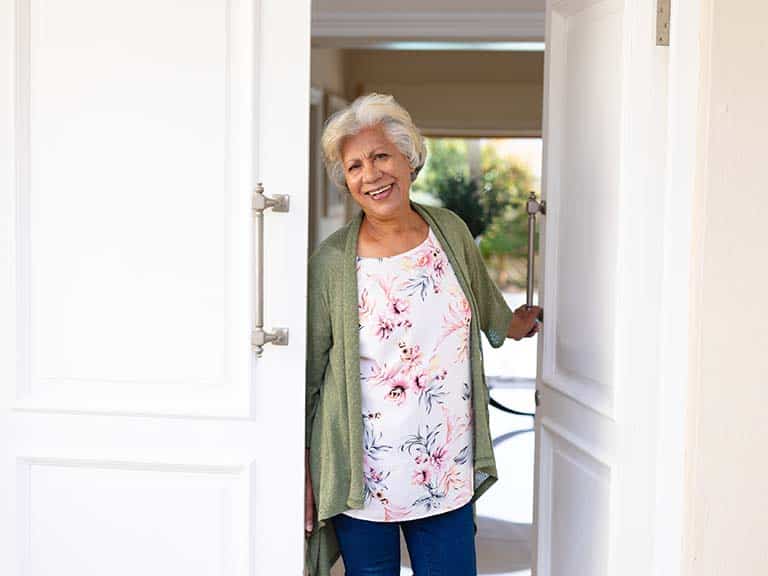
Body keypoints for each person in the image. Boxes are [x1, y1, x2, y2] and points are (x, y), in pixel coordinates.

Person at [304, 93, 541, 576]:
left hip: (445, 462)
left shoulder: (448, 231)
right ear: (346, 181)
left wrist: (518, 323)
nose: (371, 174)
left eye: (381, 156)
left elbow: (484, 302)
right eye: (354, 167)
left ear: (408, 158)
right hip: (363, 470)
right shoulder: (331, 264)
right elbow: (307, 374)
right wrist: (302, 468)